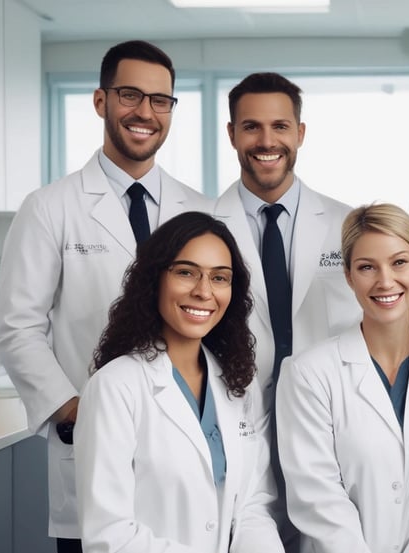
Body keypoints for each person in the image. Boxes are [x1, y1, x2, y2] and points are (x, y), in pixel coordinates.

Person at [0, 40, 211, 552]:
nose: (146, 112)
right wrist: (74, 411)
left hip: (185, 457)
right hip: (92, 452)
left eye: (161, 100)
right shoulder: (51, 207)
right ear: (100, 101)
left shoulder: (199, 209)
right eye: (130, 95)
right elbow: (17, 326)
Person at [276, 203, 409, 553]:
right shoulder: (308, 374)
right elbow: (317, 495)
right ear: (348, 275)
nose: (385, 281)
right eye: (366, 267)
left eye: (399, 262)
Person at [74, 212, 283, 553]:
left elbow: (253, 506)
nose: (203, 291)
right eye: (186, 272)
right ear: (154, 280)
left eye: (220, 278)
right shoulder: (115, 387)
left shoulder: (239, 386)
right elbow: (109, 534)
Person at [213, 72, 361, 551]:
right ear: (232, 133)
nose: (266, 141)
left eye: (280, 126)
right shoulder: (201, 230)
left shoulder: (348, 225)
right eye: (251, 127)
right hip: (238, 412)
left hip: (333, 419)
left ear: (300, 133)